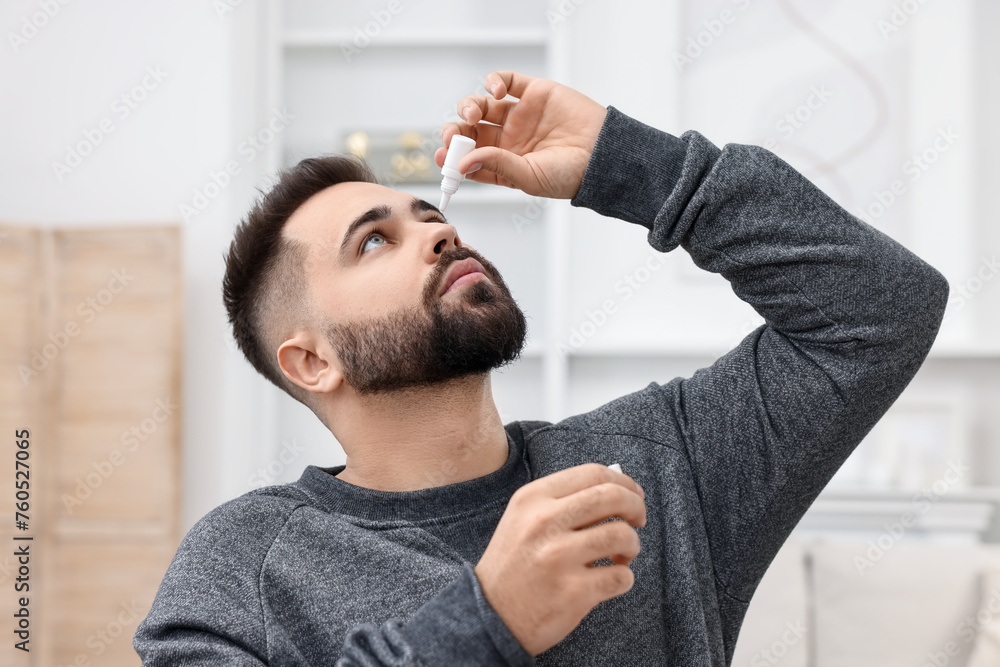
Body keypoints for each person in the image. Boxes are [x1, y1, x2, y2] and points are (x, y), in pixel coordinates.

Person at [133, 70, 949, 665]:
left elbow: (880, 311)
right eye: (375, 240)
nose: (438, 232)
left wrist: (632, 164)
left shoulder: (660, 463)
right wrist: (488, 622)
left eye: (429, 214)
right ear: (311, 361)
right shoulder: (243, 564)